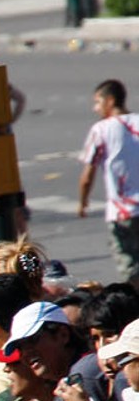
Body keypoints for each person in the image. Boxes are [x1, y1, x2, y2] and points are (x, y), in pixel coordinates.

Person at [77, 78, 139, 283]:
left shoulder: (101, 130)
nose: (95, 108)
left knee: (130, 271)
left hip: (122, 212)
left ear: (110, 101)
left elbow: (88, 175)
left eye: (97, 102)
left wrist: (82, 202)